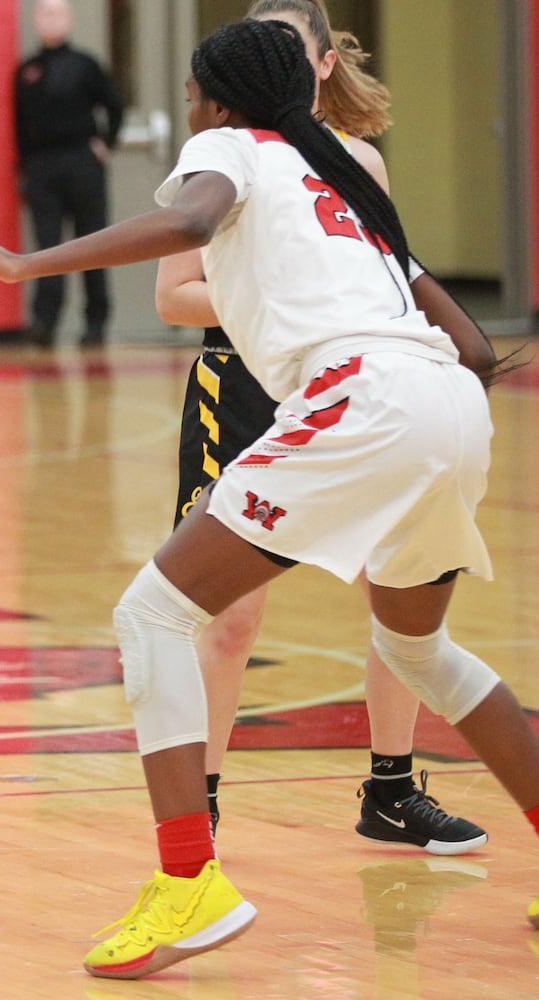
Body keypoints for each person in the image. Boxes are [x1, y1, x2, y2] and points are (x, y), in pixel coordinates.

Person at [0, 16, 539, 979]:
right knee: (420, 649)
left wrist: (21, 263)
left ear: (212, 99)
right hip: (448, 404)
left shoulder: (229, 146)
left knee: (150, 612)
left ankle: (187, 879)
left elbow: (189, 223)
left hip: (359, 396)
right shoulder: (341, 175)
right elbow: (467, 345)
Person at [157, 0, 487, 854]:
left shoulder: (356, 161)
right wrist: (281, 299)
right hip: (245, 382)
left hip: (358, 387)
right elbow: (170, 295)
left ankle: (389, 787)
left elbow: (393, 284)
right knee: (225, 616)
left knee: (398, 593)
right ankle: (203, 809)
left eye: (285, 44)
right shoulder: (221, 156)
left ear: (320, 65)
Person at [14, 0, 123, 348]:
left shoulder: (86, 65)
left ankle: (95, 322)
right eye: (45, 13)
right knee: (47, 247)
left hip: (82, 164)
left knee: (93, 243)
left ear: (69, 20)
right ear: (35, 21)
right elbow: (19, 125)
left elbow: (115, 106)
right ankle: (44, 322)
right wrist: (25, 169)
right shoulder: (26, 70)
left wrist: (106, 142)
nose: (51, 19)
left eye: (57, 13)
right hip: (43, 168)